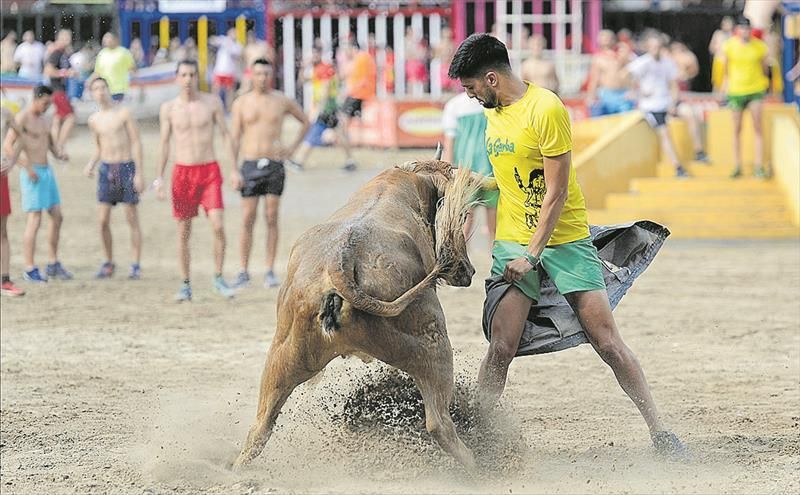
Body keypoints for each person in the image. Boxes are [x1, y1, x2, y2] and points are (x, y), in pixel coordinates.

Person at [447, 33, 686, 457]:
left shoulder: (547, 108)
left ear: (491, 77)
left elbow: (555, 194)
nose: (469, 96)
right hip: (513, 239)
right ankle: (477, 438)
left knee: (607, 341)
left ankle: (660, 432)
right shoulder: (493, 114)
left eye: (470, 88)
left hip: (565, 240)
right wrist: (457, 188)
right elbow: (507, 186)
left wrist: (532, 255)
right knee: (501, 347)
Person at [155, 60, 236, 301]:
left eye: (192, 74)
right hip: (183, 173)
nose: (188, 79)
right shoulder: (169, 108)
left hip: (209, 170)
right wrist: (159, 177)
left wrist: (234, 170)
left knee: (218, 225)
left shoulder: (211, 103)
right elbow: (164, 144)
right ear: (177, 78)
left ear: (197, 77)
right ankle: (185, 283)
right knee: (183, 231)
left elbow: (225, 135)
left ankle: (219, 277)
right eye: (184, 75)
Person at [230, 59, 310, 289]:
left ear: (271, 75)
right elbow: (235, 137)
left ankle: (269, 269)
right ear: (251, 75)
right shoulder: (241, 103)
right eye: (258, 74)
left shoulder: (281, 100)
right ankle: (243, 270)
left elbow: (305, 121)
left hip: (274, 164)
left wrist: (292, 149)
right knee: (247, 218)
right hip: (250, 163)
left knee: (272, 217)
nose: (262, 78)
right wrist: (234, 169)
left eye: (266, 73)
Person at [2, 85, 72, 283]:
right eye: (45, 103)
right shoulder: (22, 117)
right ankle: (30, 267)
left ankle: (53, 263)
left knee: (57, 216)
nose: (47, 106)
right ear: (36, 98)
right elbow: (8, 145)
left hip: (47, 172)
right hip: (31, 173)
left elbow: (50, 145)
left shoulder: (46, 120)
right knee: (34, 220)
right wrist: (26, 167)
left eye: (49, 103)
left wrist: (60, 154)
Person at [83, 77, 144, 279]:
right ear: (92, 93)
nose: (100, 92)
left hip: (126, 165)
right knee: (102, 220)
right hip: (106, 168)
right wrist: (91, 164)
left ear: (108, 89)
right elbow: (99, 148)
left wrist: (139, 173)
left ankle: (135, 264)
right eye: (96, 89)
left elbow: (136, 142)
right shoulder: (94, 120)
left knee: (131, 218)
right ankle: (108, 262)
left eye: (103, 87)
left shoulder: (123, 113)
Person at [626, 35, 692, 178]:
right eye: (653, 47)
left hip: (665, 103)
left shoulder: (667, 63)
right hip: (652, 106)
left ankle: (699, 152)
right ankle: (677, 167)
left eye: (658, 47)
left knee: (691, 113)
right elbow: (627, 75)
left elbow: (674, 85)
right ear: (648, 48)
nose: (656, 50)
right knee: (665, 132)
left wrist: (673, 103)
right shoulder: (642, 63)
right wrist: (638, 90)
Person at [442, 90, 497, 252]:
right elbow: (449, 143)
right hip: (474, 171)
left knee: (489, 227)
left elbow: (449, 143)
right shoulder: (456, 105)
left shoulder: (490, 100)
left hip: (480, 170)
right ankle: (466, 264)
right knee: (468, 227)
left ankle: (493, 263)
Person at [720, 17, 770, 178]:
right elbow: (726, 68)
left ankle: (758, 165)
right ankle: (737, 165)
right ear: (737, 30)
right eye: (742, 28)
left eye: (747, 28)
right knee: (736, 129)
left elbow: (764, 68)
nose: (745, 32)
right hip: (736, 91)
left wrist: (764, 84)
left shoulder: (760, 46)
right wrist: (725, 86)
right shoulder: (729, 45)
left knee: (758, 127)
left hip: (755, 89)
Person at [290, 48, 354, 170]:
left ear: (319, 54)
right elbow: (302, 81)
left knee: (313, 132)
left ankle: (298, 161)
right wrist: (304, 67)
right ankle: (350, 161)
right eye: (312, 55)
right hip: (329, 108)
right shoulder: (316, 69)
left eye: (315, 54)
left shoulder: (324, 68)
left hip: (326, 108)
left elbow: (326, 88)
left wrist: (318, 109)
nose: (313, 57)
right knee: (339, 134)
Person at [338, 41, 376, 171]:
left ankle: (350, 158)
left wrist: (348, 92)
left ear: (353, 48)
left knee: (341, 125)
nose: (345, 53)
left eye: (346, 49)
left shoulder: (361, 59)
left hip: (356, 95)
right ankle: (351, 155)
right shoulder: (362, 58)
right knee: (347, 126)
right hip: (359, 95)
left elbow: (361, 80)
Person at [1, 99, 25, 296]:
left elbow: (22, 138)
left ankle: (5, 280)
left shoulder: (5, 113)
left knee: (2, 232)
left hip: (0, 177)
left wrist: (12, 161)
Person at [44, 29, 78, 152]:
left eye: (69, 37)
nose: (69, 40)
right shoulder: (56, 53)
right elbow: (48, 71)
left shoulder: (64, 53)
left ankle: (55, 146)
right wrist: (65, 73)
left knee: (57, 119)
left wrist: (71, 72)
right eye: (66, 37)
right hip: (57, 90)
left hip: (60, 90)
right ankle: (60, 147)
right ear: (60, 38)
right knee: (70, 117)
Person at [587, 30, 635, 116]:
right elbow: (594, 79)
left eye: (608, 38)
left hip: (623, 93)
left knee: (626, 123)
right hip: (607, 93)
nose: (606, 40)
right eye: (603, 38)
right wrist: (591, 96)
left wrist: (632, 90)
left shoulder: (622, 54)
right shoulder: (598, 58)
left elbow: (630, 74)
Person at [93, 33, 137, 102]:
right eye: (105, 40)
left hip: (119, 89)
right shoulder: (102, 54)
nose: (107, 42)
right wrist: (90, 81)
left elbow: (133, 69)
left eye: (109, 39)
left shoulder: (123, 52)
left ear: (115, 40)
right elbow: (97, 72)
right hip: (105, 90)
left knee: (116, 110)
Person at [210, 28, 243, 112]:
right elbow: (211, 40)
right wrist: (219, 41)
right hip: (219, 71)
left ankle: (229, 110)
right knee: (216, 90)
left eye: (235, 33)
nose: (233, 35)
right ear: (229, 34)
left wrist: (229, 45)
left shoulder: (238, 46)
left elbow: (238, 56)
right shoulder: (223, 40)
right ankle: (214, 108)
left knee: (230, 92)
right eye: (232, 33)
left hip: (230, 72)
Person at [709, 16, 734, 92]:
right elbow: (711, 48)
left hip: (731, 62)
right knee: (717, 82)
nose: (726, 25)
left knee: (729, 81)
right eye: (724, 24)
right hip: (719, 61)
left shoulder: (734, 35)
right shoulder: (718, 34)